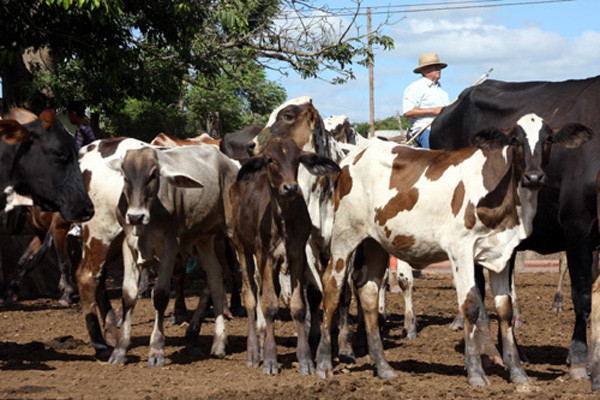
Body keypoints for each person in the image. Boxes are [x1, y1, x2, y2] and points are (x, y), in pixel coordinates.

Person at [402, 53, 450, 148]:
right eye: (434, 67)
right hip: (424, 130)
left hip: (444, 130)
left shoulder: (442, 91)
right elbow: (408, 112)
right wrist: (433, 111)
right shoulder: (415, 87)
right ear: (424, 70)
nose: (438, 69)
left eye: (439, 66)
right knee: (433, 157)